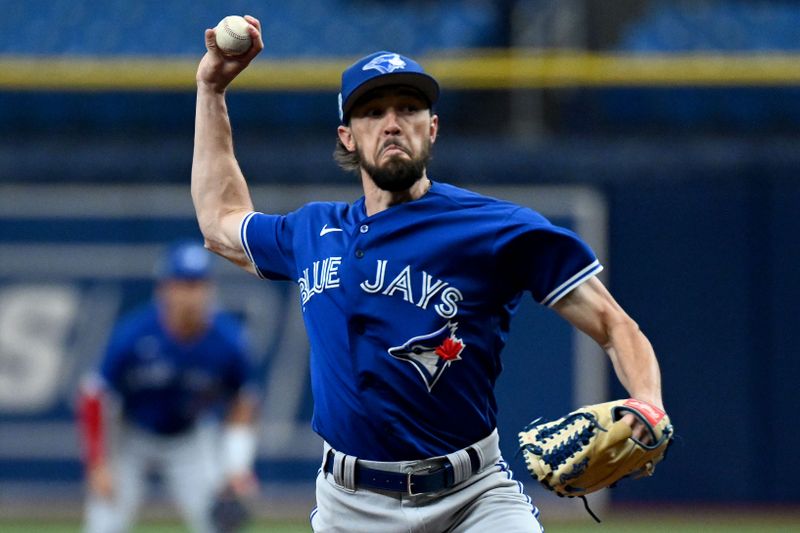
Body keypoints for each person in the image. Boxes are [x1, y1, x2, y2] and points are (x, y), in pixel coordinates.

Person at [192, 16, 664, 533]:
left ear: (431, 128)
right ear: (348, 138)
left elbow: (614, 324)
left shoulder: (495, 228)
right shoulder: (312, 230)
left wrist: (648, 403)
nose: (392, 123)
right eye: (373, 112)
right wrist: (211, 89)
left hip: (473, 496)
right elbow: (219, 224)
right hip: (350, 507)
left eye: (409, 109)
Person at [78, 241, 259, 533]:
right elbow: (94, 395)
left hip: (189, 437)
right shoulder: (134, 334)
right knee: (104, 525)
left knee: (221, 523)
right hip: (131, 436)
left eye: (198, 284)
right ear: (163, 289)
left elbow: (243, 402)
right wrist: (97, 463)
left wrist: (237, 467)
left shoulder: (228, 341)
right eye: (183, 284)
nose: (191, 295)